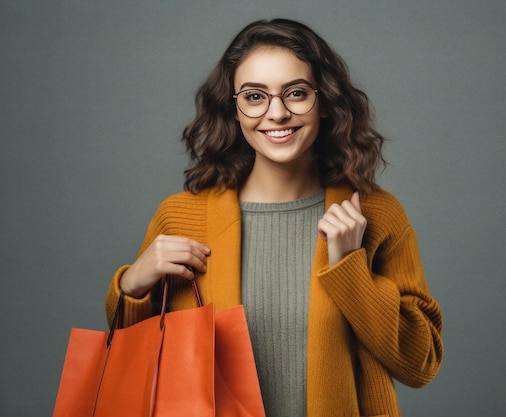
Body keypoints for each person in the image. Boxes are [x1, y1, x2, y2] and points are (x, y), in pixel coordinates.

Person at [105, 18, 443, 417]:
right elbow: (131, 354)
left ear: (325, 101)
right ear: (233, 109)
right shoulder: (181, 216)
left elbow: (420, 364)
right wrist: (131, 286)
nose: (277, 113)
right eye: (254, 96)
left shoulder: (374, 215)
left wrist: (351, 268)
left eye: (296, 93)